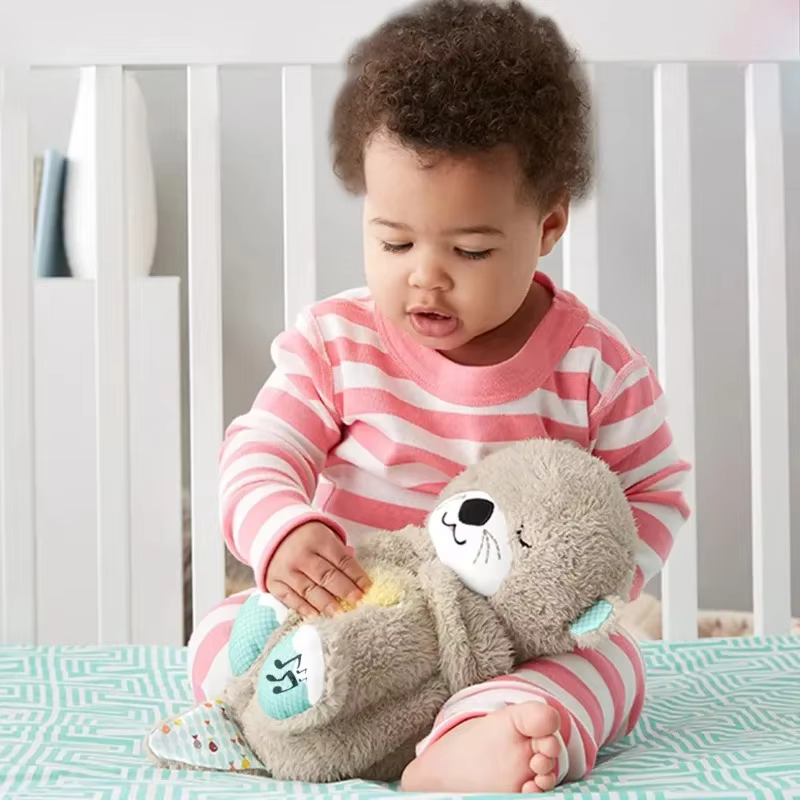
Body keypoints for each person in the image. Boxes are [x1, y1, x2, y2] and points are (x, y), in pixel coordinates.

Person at [188, 0, 690, 792]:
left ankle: (482, 737)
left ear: (549, 224)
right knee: (222, 629)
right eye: (394, 241)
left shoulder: (595, 368)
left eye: (471, 249)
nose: (425, 274)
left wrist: (574, 591)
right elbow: (260, 449)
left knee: (615, 667)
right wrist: (283, 533)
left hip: (509, 640)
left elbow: (655, 487)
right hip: (355, 619)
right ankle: (297, 717)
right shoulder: (337, 342)